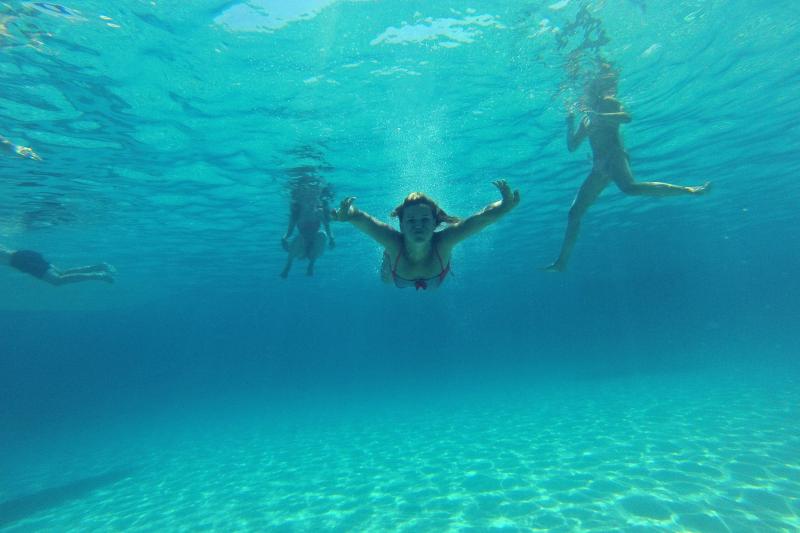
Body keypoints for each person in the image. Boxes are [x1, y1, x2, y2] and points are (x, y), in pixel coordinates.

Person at [545, 73, 711, 272]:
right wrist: (570, 124)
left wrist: (601, 117)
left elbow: (627, 117)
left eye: (587, 90)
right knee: (574, 213)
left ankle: (690, 190)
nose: (584, 95)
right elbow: (573, 146)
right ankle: (562, 261)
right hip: (598, 165)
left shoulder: (609, 103)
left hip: (615, 154)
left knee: (629, 188)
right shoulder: (586, 119)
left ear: (594, 90)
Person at [331, 180, 520, 290]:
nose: (418, 226)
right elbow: (364, 219)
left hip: (436, 277)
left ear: (436, 223)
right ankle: (386, 258)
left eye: (425, 220)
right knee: (386, 280)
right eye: (411, 221)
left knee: (434, 288)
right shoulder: (393, 240)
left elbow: (480, 218)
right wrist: (348, 214)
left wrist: (504, 207)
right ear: (402, 226)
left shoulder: (445, 240)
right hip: (397, 275)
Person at [280, 181, 335, 278]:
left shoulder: (319, 212)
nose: (309, 202)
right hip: (301, 245)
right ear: (301, 200)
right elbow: (289, 232)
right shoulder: (296, 214)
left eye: (312, 199)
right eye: (306, 199)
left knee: (322, 235)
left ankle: (311, 264)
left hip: (315, 245)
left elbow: (327, 226)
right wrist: (283, 239)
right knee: (298, 239)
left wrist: (331, 238)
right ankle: (288, 267)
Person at [1, 245, 114, 285]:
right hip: (24, 254)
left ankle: (99, 275)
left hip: (20, 260)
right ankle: (100, 266)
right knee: (61, 273)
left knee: (57, 280)